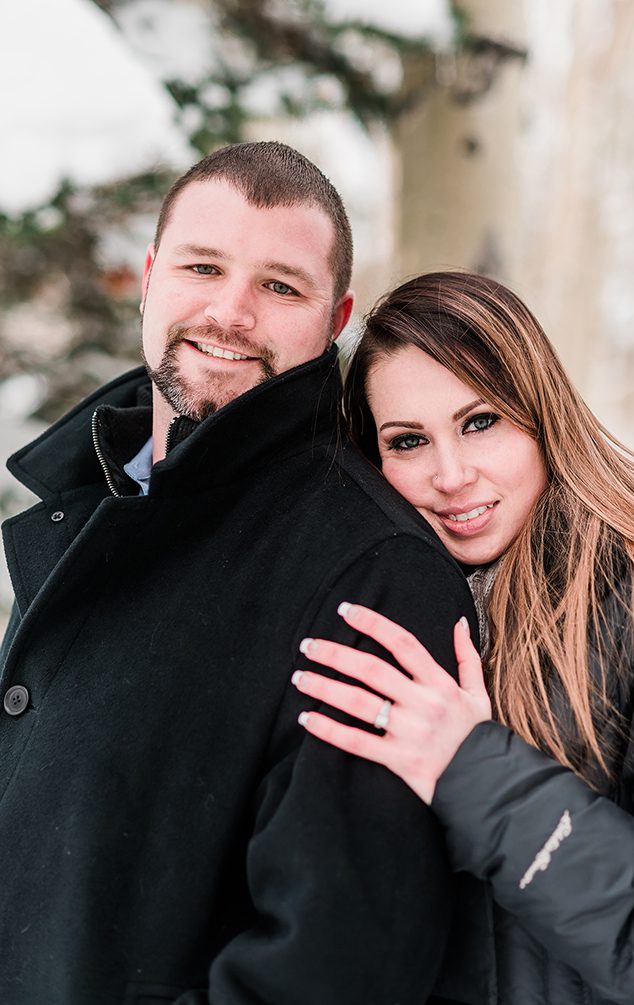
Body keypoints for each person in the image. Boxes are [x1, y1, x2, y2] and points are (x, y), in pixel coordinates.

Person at [0, 142, 474, 1004]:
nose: (229, 311)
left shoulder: (373, 573)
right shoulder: (93, 496)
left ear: (336, 320)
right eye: (202, 266)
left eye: (280, 286)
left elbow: (336, 966)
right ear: (150, 278)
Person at [290, 271, 634, 1004]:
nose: (452, 475)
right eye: (408, 441)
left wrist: (476, 774)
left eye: (480, 421)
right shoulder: (395, 602)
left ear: (540, 412)